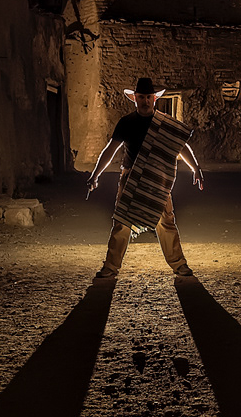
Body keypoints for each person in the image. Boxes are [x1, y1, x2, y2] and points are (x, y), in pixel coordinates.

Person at [87, 77, 205, 283]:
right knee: (122, 222)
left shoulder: (164, 124)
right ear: (134, 98)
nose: (145, 101)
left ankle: (179, 265)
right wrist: (95, 174)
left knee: (166, 223)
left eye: (148, 97)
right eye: (141, 97)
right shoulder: (126, 123)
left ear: (154, 99)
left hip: (157, 180)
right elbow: (110, 150)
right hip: (130, 178)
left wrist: (196, 168)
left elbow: (182, 147)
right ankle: (110, 267)